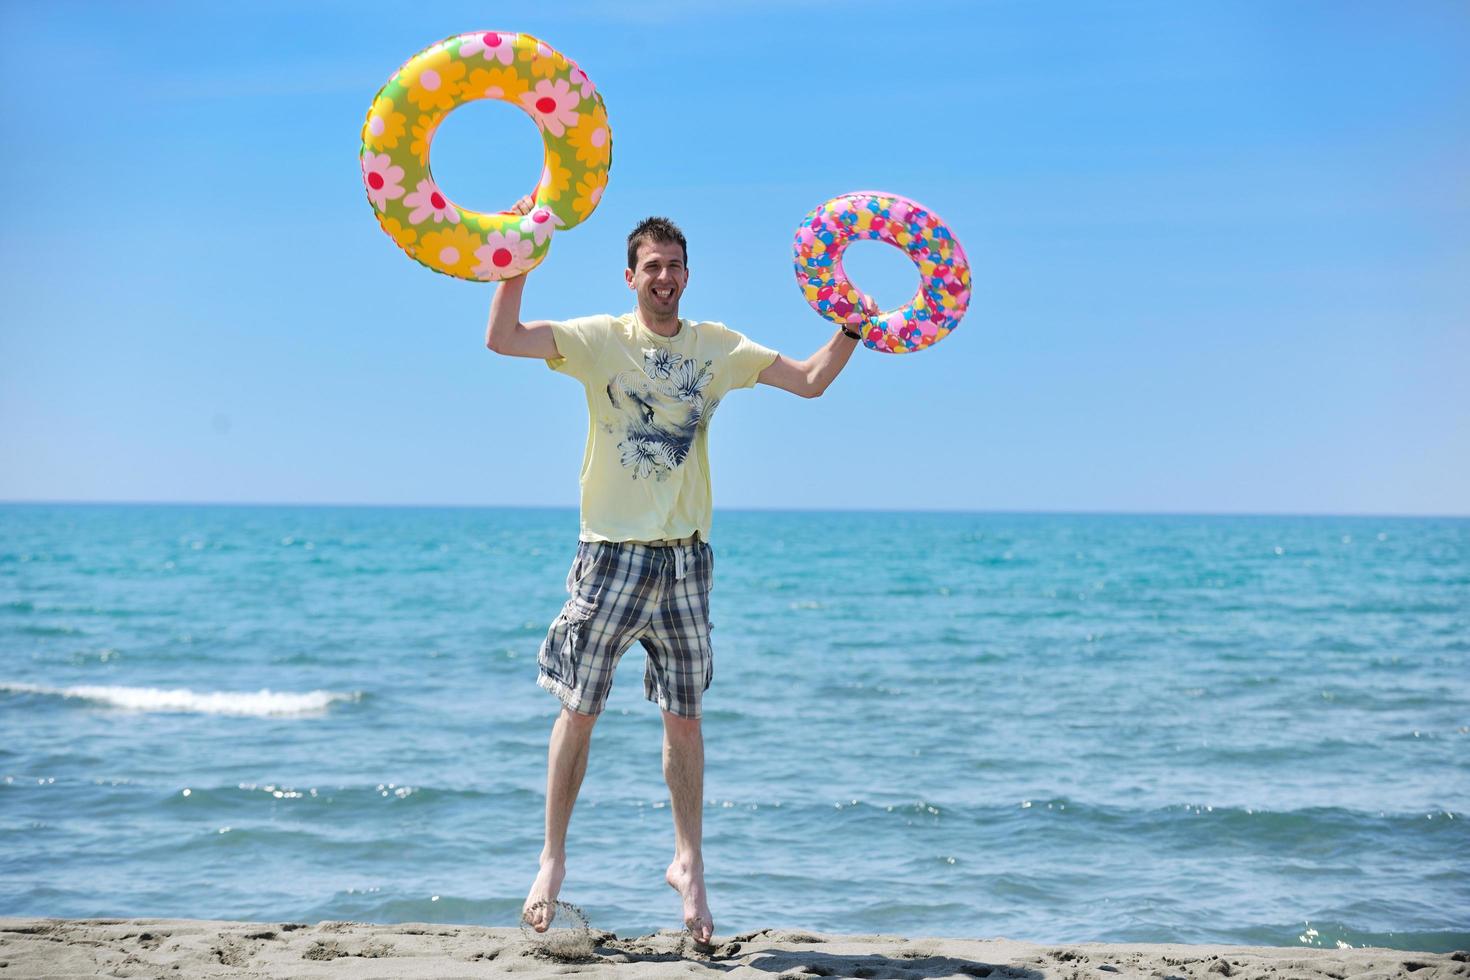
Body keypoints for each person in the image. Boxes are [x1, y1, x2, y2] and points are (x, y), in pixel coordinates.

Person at [485, 201, 870, 944]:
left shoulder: (716, 348)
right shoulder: (601, 342)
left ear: (688, 275)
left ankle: (688, 865)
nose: (664, 277)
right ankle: (551, 861)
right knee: (580, 708)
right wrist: (517, 262)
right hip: (610, 557)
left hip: (687, 563)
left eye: (675, 265)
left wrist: (852, 325)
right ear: (631, 276)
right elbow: (501, 338)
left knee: (685, 721)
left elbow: (814, 380)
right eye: (651, 266)